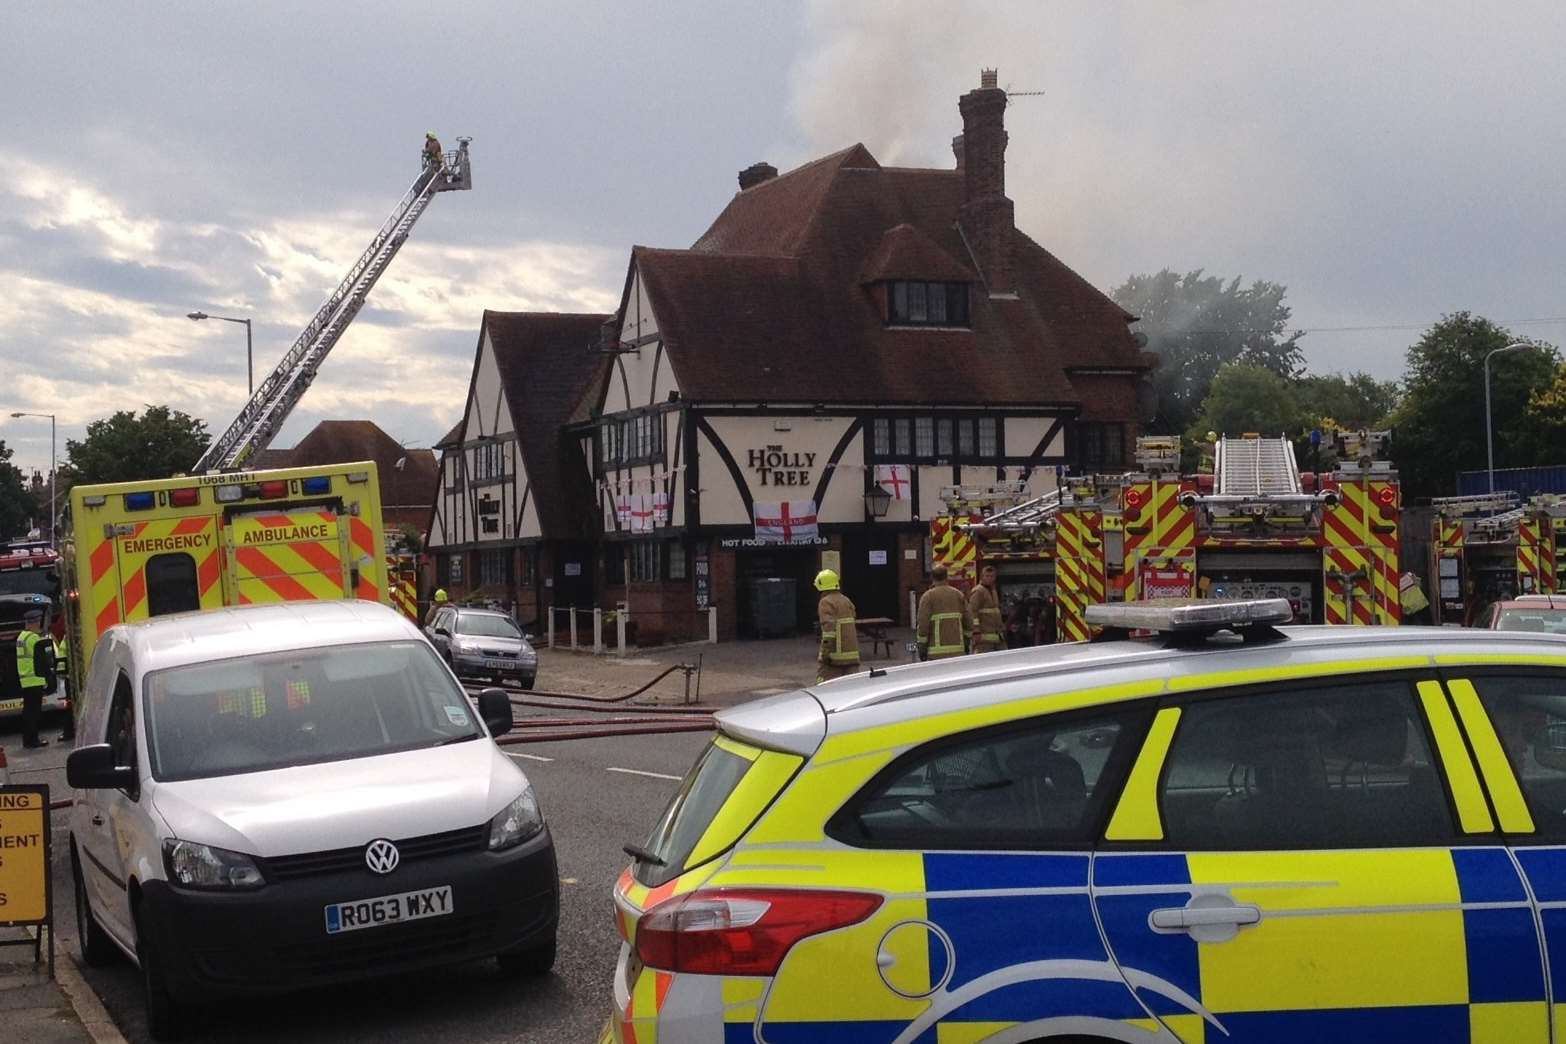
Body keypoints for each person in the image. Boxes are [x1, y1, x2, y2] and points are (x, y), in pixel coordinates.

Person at [16, 607, 56, 749]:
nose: (39, 625)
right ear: (34, 623)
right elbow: (43, 661)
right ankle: (33, 740)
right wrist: (49, 677)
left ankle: (28, 739)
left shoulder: (21, 637)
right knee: (33, 713)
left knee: (28, 712)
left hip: (26, 679)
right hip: (35, 679)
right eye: (38, 622)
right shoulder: (33, 639)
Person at [813, 569, 861, 683]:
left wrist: (825, 654)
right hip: (852, 655)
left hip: (834, 656)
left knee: (823, 685)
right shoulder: (846, 600)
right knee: (852, 687)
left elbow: (829, 629)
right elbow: (853, 617)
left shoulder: (825, 602)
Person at [916, 565, 970, 660]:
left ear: (932, 578)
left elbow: (923, 624)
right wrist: (966, 642)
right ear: (947, 577)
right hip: (958, 651)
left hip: (935, 653)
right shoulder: (958, 595)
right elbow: (968, 621)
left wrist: (922, 648)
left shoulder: (927, 596)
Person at [968, 565, 1006, 654]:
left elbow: (995, 611)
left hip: (997, 637)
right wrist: (976, 631)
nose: (990, 578)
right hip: (983, 639)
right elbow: (973, 612)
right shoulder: (978, 591)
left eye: (992, 576)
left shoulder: (993, 590)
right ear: (982, 577)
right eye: (987, 576)